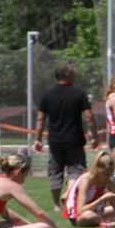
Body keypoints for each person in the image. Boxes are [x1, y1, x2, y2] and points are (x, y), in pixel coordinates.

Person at [33, 63, 99, 211]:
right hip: (74, 140)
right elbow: (89, 117)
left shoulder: (47, 95)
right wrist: (95, 137)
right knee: (76, 171)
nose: (75, 75)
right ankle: (69, 195)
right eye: (73, 73)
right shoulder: (79, 94)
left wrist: (37, 139)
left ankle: (56, 205)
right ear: (68, 75)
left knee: (55, 172)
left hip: (55, 141)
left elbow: (40, 120)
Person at [0, 154, 81, 228]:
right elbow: (39, 213)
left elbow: (10, 216)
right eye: (25, 175)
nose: (24, 180)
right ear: (18, 172)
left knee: (10, 225)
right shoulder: (12, 185)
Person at [62, 151, 115, 228]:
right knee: (88, 215)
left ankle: (107, 223)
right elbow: (80, 211)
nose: (108, 177)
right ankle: (113, 222)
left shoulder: (109, 180)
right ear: (97, 169)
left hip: (97, 212)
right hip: (79, 216)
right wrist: (101, 199)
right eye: (105, 174)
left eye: (111, 174)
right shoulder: (85, 180)